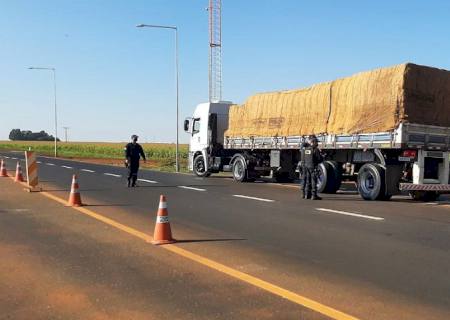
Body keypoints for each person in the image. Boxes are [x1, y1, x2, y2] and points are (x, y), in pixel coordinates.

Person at [301, 135, 323, 200]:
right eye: (316, 142)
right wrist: (322, 156)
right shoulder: (315, 150)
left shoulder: (306, 149)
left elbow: (304, 158)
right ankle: (314, 195)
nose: (317, 144)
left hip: (307, 166)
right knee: (314, 181)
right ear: (313, 142)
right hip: (313, 167)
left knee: (307, 181)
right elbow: (319, 159)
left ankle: (306, 195)